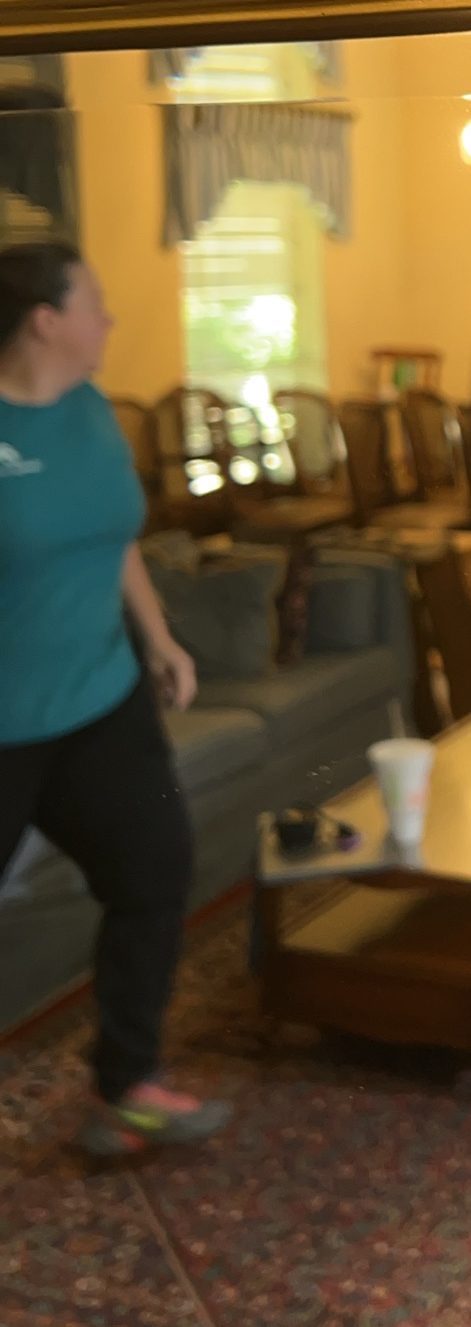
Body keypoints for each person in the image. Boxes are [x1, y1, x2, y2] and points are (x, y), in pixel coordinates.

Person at [0, 241, 230, 1156]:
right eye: (94, 302)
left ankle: (127, 1085)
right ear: (45, 320)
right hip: (6, 727)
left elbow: (112, 535)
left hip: (102, 699)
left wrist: (159, 636)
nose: (110, 318)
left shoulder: (92, 409)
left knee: (156, 870)